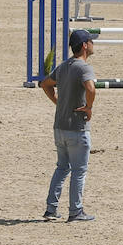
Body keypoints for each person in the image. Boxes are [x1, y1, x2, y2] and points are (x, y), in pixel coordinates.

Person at [41, 29, 98, 222]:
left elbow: (45, 84)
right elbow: (91, 89)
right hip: (76, 128)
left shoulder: (63, 66)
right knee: (79, 171)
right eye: (91, 41)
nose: (92, 44)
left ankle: (51, 208)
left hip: (59, 127)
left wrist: (58, 102)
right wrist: (89, 107)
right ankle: (75, 210)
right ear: (84, 45)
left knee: (62, 167)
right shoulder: (84, 67)